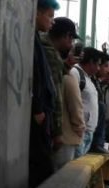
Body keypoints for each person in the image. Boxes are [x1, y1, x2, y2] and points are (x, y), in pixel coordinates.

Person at [30, 0, 59, 188]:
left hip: (43, 114)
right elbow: (36, 77)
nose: (52, 22)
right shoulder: (33, 42)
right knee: (42, 169)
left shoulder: (35, 40)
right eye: (49, 16)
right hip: (39, 115)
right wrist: (38, 108)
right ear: (37, 13)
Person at [43, 17, 79, 164]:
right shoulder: (50, 54)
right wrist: (58, 133)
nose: (71, 45)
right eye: (71, 39)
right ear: (66, 36)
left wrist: (65, 67)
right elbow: (55, 95)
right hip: (47, 126)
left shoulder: (42, 47)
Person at [55, 44, 86, 168]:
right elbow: (75, 105)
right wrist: (80, 128)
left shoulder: (61, 73)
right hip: (67, 137)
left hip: (59, 135)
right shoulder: (69, 77)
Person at [70, 46, 102, 157]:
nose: (98, 68)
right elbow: (72, 101)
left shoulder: (88, 78)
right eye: (98, 64)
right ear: (91, 62)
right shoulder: (75, 73)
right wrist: (79, 126)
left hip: (88, 132)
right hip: (79, 132)